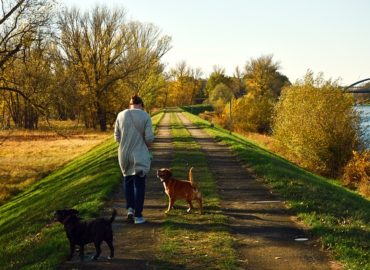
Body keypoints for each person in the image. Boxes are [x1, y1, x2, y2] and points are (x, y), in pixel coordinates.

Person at [114, 94, 154, 224]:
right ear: (142, 105)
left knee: (128, 182)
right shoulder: (145, 116)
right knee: (139, 185)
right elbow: (149, 139)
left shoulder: (120, 115)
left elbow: (117, 138)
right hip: (139, 155)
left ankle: (130, 209)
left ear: (129, 104)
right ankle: (138, 216)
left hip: (124, 155)